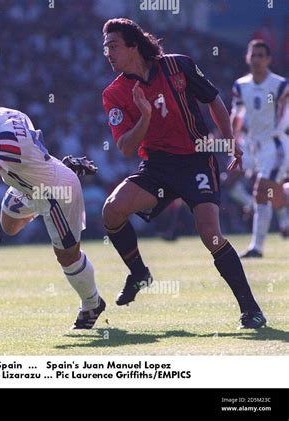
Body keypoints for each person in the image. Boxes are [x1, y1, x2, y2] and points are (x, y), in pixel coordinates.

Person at [101, 18, 266, 329]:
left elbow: (213, 100)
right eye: (105, 47)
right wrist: (145, 118)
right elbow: (124, 147)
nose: (107, 53)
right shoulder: (115, 93)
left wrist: (230, 141)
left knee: (211, 235)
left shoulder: (177, 66)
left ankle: (251, 309)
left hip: (196, 161)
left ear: (134, 45)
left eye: (113, 46)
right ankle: (139, 273)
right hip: (158, 167)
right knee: (111, 211)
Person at [0, 96, 105, 329]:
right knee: (9, 225)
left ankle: (91, 303)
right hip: (28, 185)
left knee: (67, 256)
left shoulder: (5, 140)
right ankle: (59, 171)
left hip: (56, 193)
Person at [231, 39, 289, 257]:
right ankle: (260, 243)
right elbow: (237, 115)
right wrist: (232, 141)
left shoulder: (280, 85)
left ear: (268, 59)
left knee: (260, 189)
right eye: (253, 55)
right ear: (248, 57)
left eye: (260, 55)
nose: (256, 59)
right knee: (266, 195)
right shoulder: (241, 85)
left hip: (276, 145)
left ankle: (256, 247)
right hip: (254, 147)